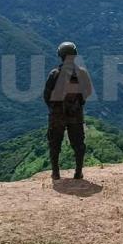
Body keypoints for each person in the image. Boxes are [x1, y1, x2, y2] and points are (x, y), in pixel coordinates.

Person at [43, 42, 93, 180]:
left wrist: (53, 109)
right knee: (78, 144)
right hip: (75, 114)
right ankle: (78, 172)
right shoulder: (82, 73)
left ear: (60, 55)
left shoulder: (54, 74)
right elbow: (88, 92)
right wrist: (78, 104)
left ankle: (55, 173)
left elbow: (46, 96)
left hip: (57, 116)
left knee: (54, 143)